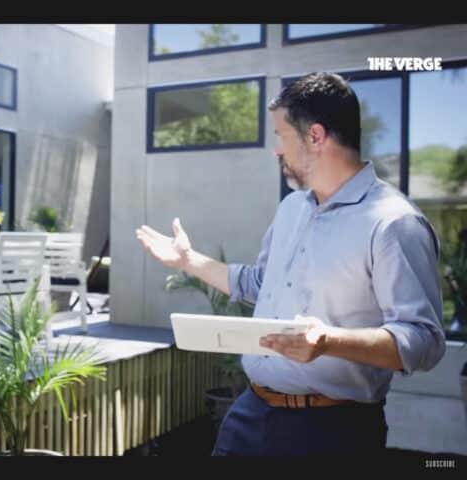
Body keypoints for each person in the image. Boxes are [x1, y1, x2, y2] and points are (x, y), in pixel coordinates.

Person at [136, 72, 446, 455]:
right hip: (250, 413)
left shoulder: (393, 223)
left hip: (333, 431)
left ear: (315, 137)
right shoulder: (291, 208)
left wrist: (328, 341)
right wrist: (189, 260)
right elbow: (260, 284)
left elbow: (424, 341)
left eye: (281, 136)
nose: (276, 150)